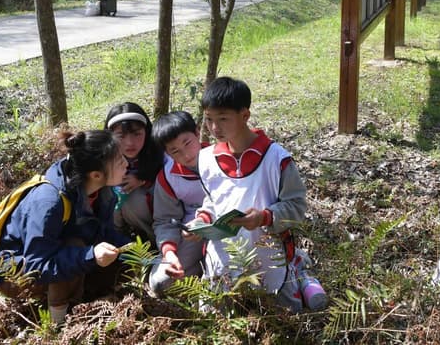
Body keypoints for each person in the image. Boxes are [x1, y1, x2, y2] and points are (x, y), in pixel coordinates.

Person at [190, 76, 326, 312]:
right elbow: (212, 199)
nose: (214, 128)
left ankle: (300, 272)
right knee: (214, 316)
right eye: (209, 119)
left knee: (285, 316)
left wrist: (264, 217)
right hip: (224, 254)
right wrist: (203, 220)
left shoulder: (276, 159)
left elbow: (296, 207)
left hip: (269, 253)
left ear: (245, 115)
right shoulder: (207, 158)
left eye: (223, 119)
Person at [0, 129, 131, 324]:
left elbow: (105, 233)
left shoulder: (103, 191)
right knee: (75, 245)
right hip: (16, 274)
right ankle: (59, 324)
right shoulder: (50, 202)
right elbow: (38, 265)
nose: (126, 164)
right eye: (119, 161)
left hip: (58, 255)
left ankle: (87, 300)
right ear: (96, 175)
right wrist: (90, 255)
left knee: (124, 262)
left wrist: (145, 256)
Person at [148, 111, 208, 296]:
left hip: (229, 232)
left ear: (197, 133)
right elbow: (165, 220)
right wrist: (169, 252)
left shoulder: (224, 159)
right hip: (191, 235)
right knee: (160, 283)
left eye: (187, 143)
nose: (185, 154)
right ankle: (198, 270)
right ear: (167, 153)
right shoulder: (168, 176)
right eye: (175, 151)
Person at [104, 102, 164, 247]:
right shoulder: (103, 156)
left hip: (155, 218)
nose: (130, 143)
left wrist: (143, 180)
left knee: (134, 199)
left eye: (137, 134)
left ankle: (155, 244)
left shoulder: (160, 152)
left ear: (147, 132)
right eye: (121, 136)